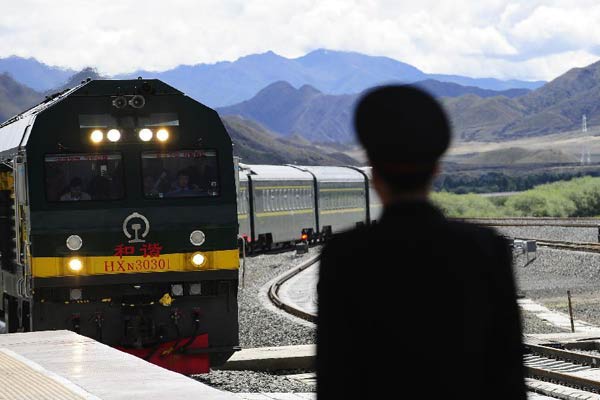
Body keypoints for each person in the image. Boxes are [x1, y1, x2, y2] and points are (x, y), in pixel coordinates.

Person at [316, 86, 526, 399]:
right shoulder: (485, 249)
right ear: (437, 170)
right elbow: (507, 377)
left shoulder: (344, 256)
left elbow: (335, 380)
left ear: (375, 176)